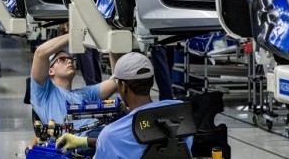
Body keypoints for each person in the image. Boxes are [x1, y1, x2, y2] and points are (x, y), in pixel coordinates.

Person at [56, 52, 193, 158]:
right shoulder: (179, 113)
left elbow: (120, 141)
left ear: (122, 86)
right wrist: (85, 141)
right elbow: (141, 138)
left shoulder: (111, 135)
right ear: (151, 81)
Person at [30, 34, 117, 132]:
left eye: (70, 59)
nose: (69, 61)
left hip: (102, 134)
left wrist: (112, 43)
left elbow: (116, 80)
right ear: (50, 71)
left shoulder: (84, 94)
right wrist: (78, 34)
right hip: (80, 142)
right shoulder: (44, 93)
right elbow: (40, 53)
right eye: (62, 59)